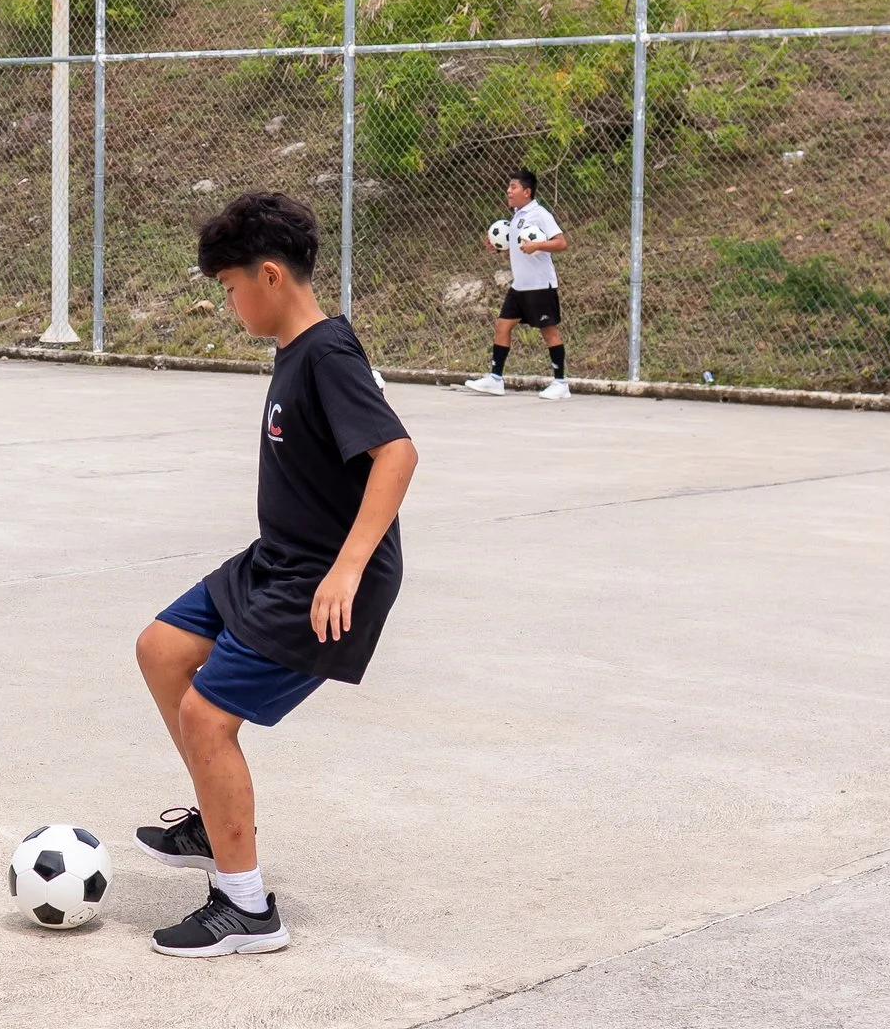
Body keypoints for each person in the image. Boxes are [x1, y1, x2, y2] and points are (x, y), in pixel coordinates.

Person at [131, 191, 417, 957]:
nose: (228, 304)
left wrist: (346, 571)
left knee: (207, 717)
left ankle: (246, 907)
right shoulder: (303, 350)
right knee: (161, 647)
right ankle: (211, 811)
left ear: (268, 275)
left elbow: (397, 455)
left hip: (319, 579)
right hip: (275, 560)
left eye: (228, 288)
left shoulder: (327, 353)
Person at [462, 168, 570, 400]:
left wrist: (538, 245)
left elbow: (561, 243)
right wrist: (500, 248)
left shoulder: (539, 214)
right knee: (502, 325)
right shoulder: (517, 216)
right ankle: (495, 379)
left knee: (548, 331)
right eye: (508, 187)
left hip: (540, 285)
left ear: (527, 191)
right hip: (520, 286)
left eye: (513, 187)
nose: (508, 191)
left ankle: (561, 383)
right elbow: (521, 249)